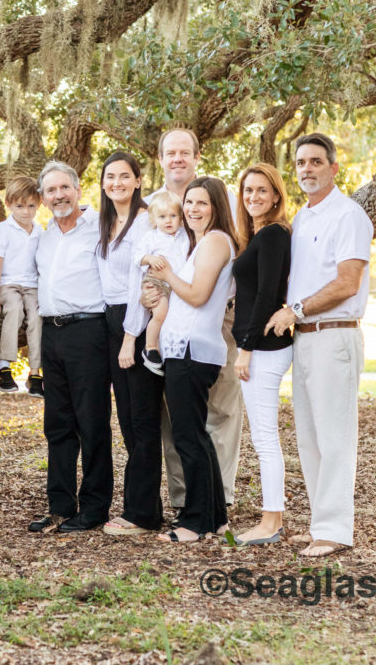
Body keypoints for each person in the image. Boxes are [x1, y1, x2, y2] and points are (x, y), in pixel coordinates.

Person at [265, 133, 373, 558]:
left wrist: (296, 308)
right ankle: (319, 525)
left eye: (315, 161)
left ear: (334, 167)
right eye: (300, 163)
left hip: (335, 334)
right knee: (308, 438)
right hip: (305, 339)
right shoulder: (304, 218)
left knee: (334, 436)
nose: (306, 169)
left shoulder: (348, 215)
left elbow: (347, 283)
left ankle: (334, 530)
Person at [146, 127, 244, 519]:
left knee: (213, 416)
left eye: (185, 152)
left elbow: (201, 291)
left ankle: (214, 502)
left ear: (197, 156)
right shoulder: (159, 211)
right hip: (177, 330)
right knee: (182, 424)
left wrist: (169, 277)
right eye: (171, 152)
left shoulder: (218, 225)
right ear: (161, 159)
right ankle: (192, 501)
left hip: (208, 329)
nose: (178, 159)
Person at [27, 161, 113, 534]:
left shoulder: (100, 228)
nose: (58, 195)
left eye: (64, 188)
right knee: (57, 424)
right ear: (43, 197)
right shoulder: (44, 235)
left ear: (78, 189)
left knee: (92, 422)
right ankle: (60, 505)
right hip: (52, 334)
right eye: (51, 190)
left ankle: (95, 508)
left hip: (88, 333)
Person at [92, 151, 164, 536]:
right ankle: (145, 507)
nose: (116, 183)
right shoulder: (105, 221)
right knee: (128, 421)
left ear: (138, 180)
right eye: (110, 177)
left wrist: (130, 337)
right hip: (109, 318)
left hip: (134, 320)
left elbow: (142, 284)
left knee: (142, 421)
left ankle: (141, 514)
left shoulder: (145, 221)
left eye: (124, 176)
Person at [230, 163, 293, 546]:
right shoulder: (258, 235)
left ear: (276, 196)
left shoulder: (272, 235)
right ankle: (271, 517)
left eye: (261, 190)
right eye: (248, 190)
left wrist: (246, 349)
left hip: (264, 351)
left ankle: (272, 521)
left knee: (265, 439)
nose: (253, 196)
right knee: (264, 437)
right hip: (259, 349)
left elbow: (268, 295)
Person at [0, 176, 44, 398]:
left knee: (37, 317)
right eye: (19, 206)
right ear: (9, 204)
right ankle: (5, 367)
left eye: (31, 206)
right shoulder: (3, 230)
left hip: (32, 286)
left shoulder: (40, 231)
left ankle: (35, 372)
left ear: (39, 204)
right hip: (8, 284)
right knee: (14, 310)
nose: (25, 211)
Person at [131, 191, 192, 376]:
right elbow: (136, 256)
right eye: (163, 217)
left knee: (172, 318)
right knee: (161, 312)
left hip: (176, 284)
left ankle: (168, 352)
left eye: (173, 216)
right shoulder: (152, 237)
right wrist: (149, 258)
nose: (168, 221)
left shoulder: (184, 235)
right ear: (153, 219)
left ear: (181, 218)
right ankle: (150, 348)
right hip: (156, 282)